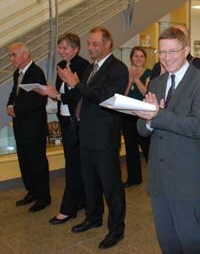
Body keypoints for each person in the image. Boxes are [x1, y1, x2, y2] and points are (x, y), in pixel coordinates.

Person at [134, 27, 200, 254]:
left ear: (186, 50)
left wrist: (157, 115)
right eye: (162, 53)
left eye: (173, 52)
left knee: (190, 239)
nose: (167, 58)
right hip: (158, 178)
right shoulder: (157, 83)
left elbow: (196, 127)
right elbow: (142, 127)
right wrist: (149, 120)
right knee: (167, 240)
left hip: (185, 178)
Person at [58, 27, 128, 249]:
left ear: (108, 43)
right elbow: (81, 97)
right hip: (85, 134)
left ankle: (116, 229)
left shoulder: (118, 69)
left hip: (104, 137)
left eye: (95, 43)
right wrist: (70, 88)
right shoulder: (90, 68)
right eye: (89, 43)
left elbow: (103, 98)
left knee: (111, 186)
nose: (90, 48)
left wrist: (75, 84)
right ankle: (93, 216)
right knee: (89, 182)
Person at [35, 33, 89, 224]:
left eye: (65, 48)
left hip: (78, 121)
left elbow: (79, 96)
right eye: (60, 47)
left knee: (74, 166)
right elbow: (63, 93)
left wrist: (56, 94)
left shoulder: (84, 66)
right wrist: (51, 92)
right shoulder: (60, 65)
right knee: (74, 163)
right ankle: (82, 201)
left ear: (75, 49)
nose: (61, 51)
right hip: (65, 120)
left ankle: (68, 208)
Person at [6, 43, 50, 212]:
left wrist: (16, 109)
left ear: (24, 55)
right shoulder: (17, 72)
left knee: (37, 161)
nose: (11, 59)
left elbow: (38, 101)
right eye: (10, 55)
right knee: (24, 160)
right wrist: (10, 104)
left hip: (33, 127)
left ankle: (43, 197)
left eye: (13, 55)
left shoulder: (36, 73)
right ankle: (31, 191)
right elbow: (14, 93)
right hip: (20, 126)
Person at [121, 46, 151, 187]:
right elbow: (124, 94)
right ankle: (134, 178)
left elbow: (146, 93)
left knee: (147, 148)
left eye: (141, 56)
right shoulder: (125, 72)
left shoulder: (149, 73)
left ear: (145, 59)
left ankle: (155, 177)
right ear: (131, 58)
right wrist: (129, 80)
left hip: (143, 115)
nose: (138, 59)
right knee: (130, 148)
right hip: (128, 115)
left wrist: (136, 79)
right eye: (136, 56)